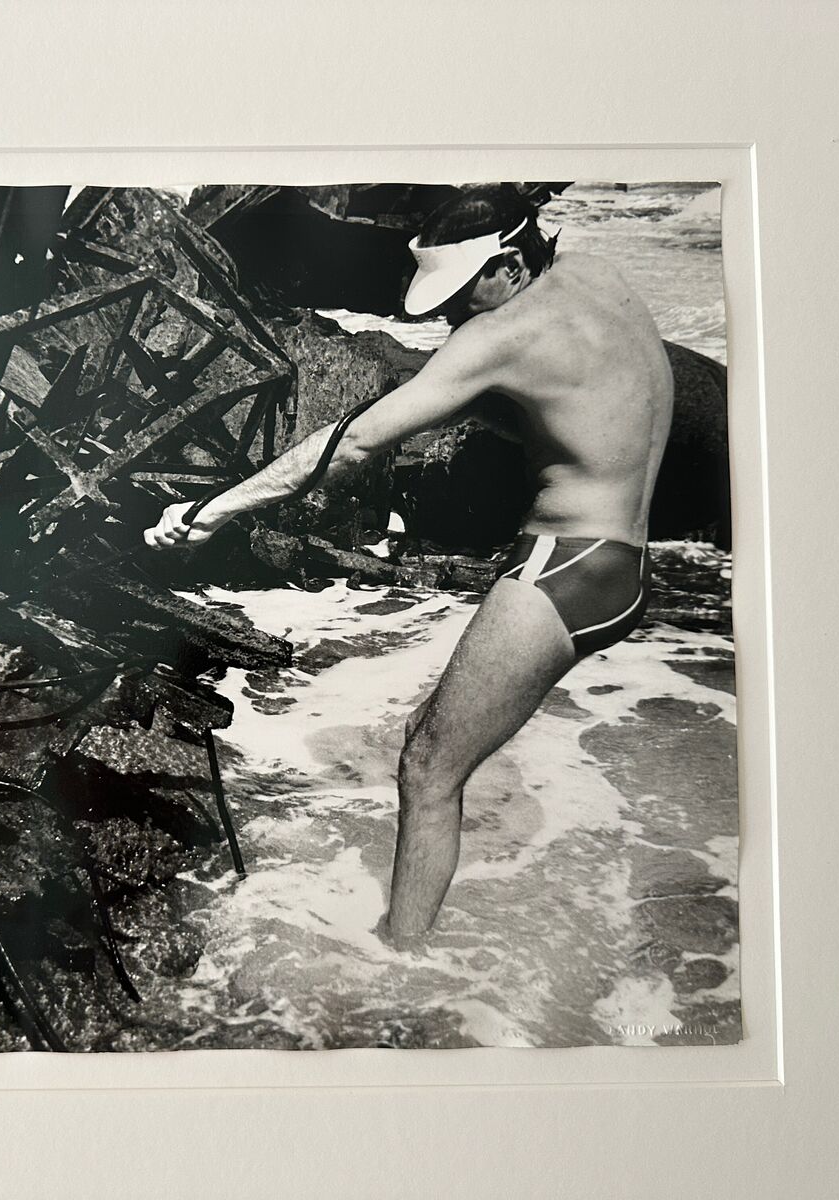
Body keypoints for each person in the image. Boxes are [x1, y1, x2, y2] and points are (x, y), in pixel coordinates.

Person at [144, 185, 673, 944]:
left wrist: (211, 512)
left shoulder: (499, 337)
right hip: (626, 565)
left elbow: (351, 444)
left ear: (510, 264)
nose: (454, 317)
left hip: (565, 570)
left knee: (427, 769)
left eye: (462, 296)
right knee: (439, 748)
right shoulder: (600, 275)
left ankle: (401, 966)